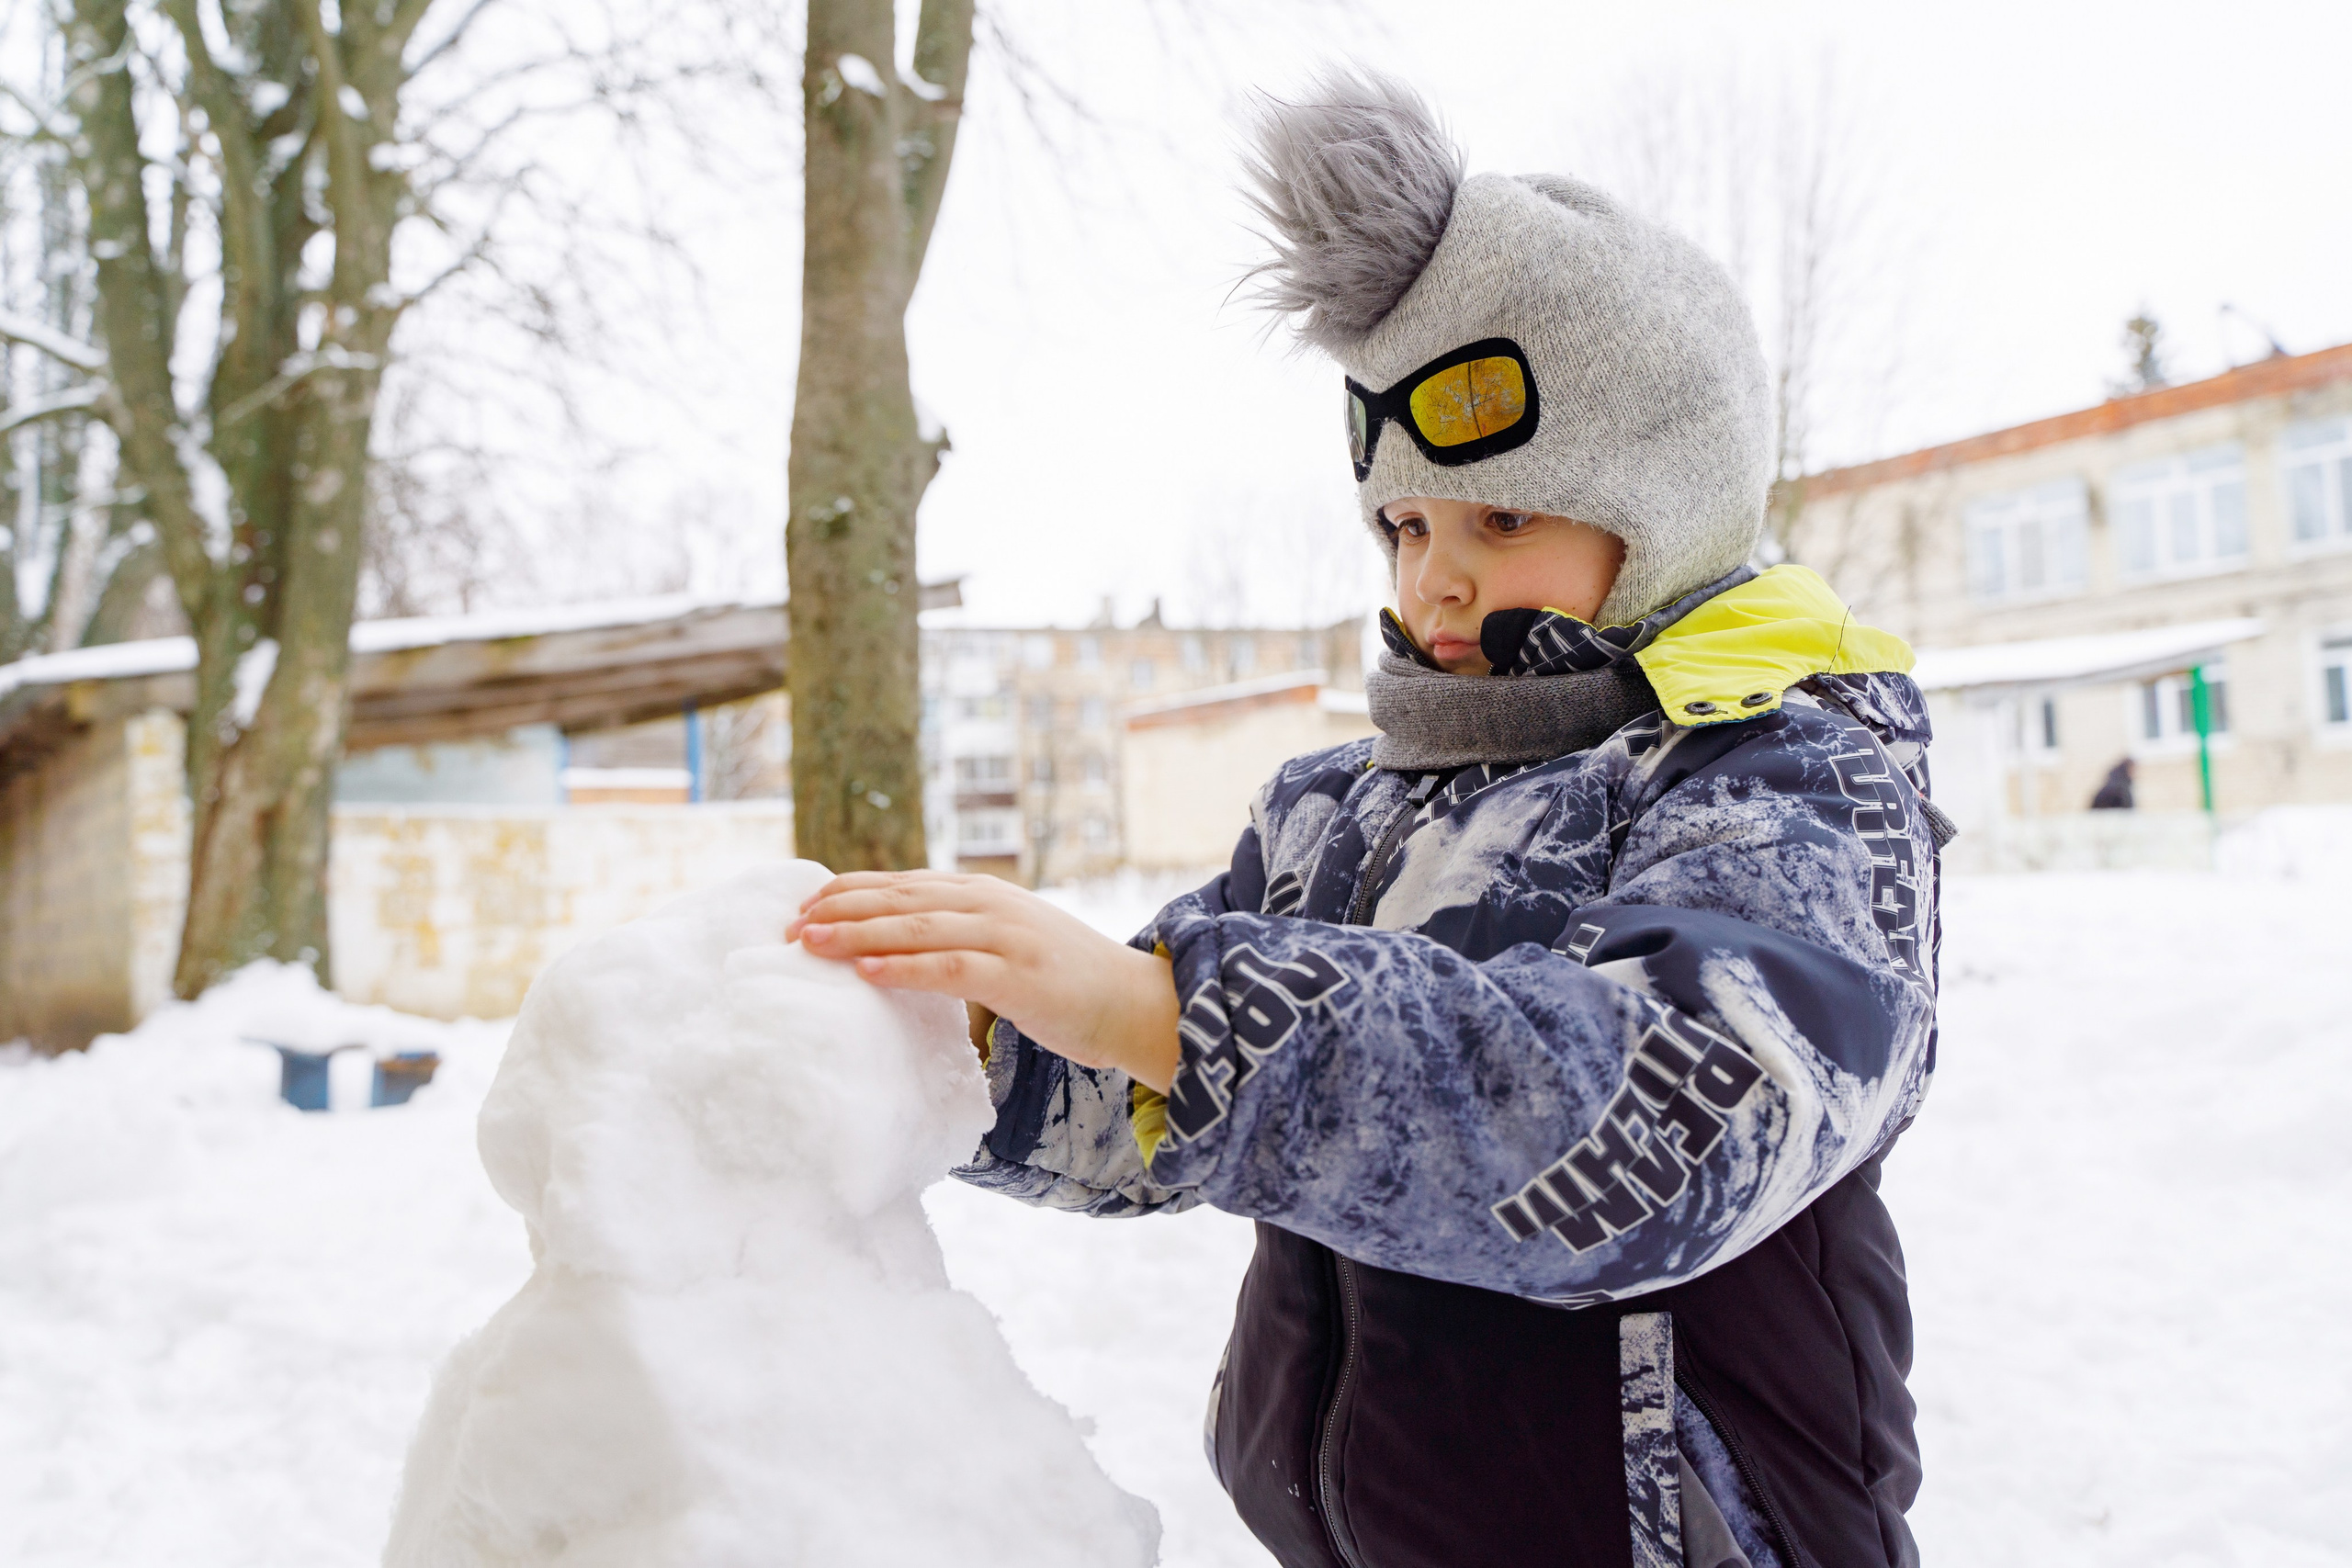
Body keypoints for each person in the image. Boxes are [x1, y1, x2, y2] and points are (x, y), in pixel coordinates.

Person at [788, 68, 1947, 1568]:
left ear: (1665, 507)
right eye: (1406, 523)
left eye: (1504, 520)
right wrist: (959, 1051)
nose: (1433, 580)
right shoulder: (1341, 810)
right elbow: (1162, 1113)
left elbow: (1662, 1122)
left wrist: (1171, 1011)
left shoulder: (1784, 779)